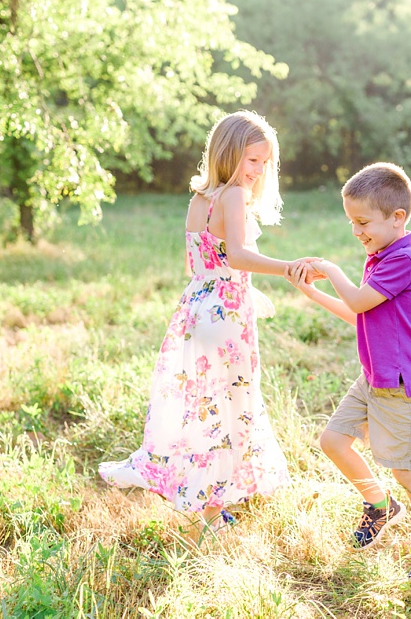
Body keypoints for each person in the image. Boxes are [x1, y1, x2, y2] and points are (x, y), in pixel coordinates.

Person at [99, 110, 317, 531]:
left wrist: (242, 288)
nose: (258, 170)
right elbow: (236, 255)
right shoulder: (232, 196)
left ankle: (208, 500)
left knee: (203, 404)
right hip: (225, 315)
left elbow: (199, 262)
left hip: (197, 306)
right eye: (252, 159)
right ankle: (214, 505)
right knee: (229, 405)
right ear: (228, 153)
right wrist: (288, 267)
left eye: (265, 162)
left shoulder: (201, 199)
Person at [286, 162, 411, 579]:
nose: (356, 231)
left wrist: (330, 268)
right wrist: (312, 291)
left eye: (362, 222)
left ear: (397, 218)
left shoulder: (405, 259)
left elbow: (356, 301)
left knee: (405, 470)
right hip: (373, 378)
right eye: (351, 222)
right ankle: (378, 505)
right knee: (333, 440)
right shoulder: (380, 255)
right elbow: (359, 313)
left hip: (403, 385)